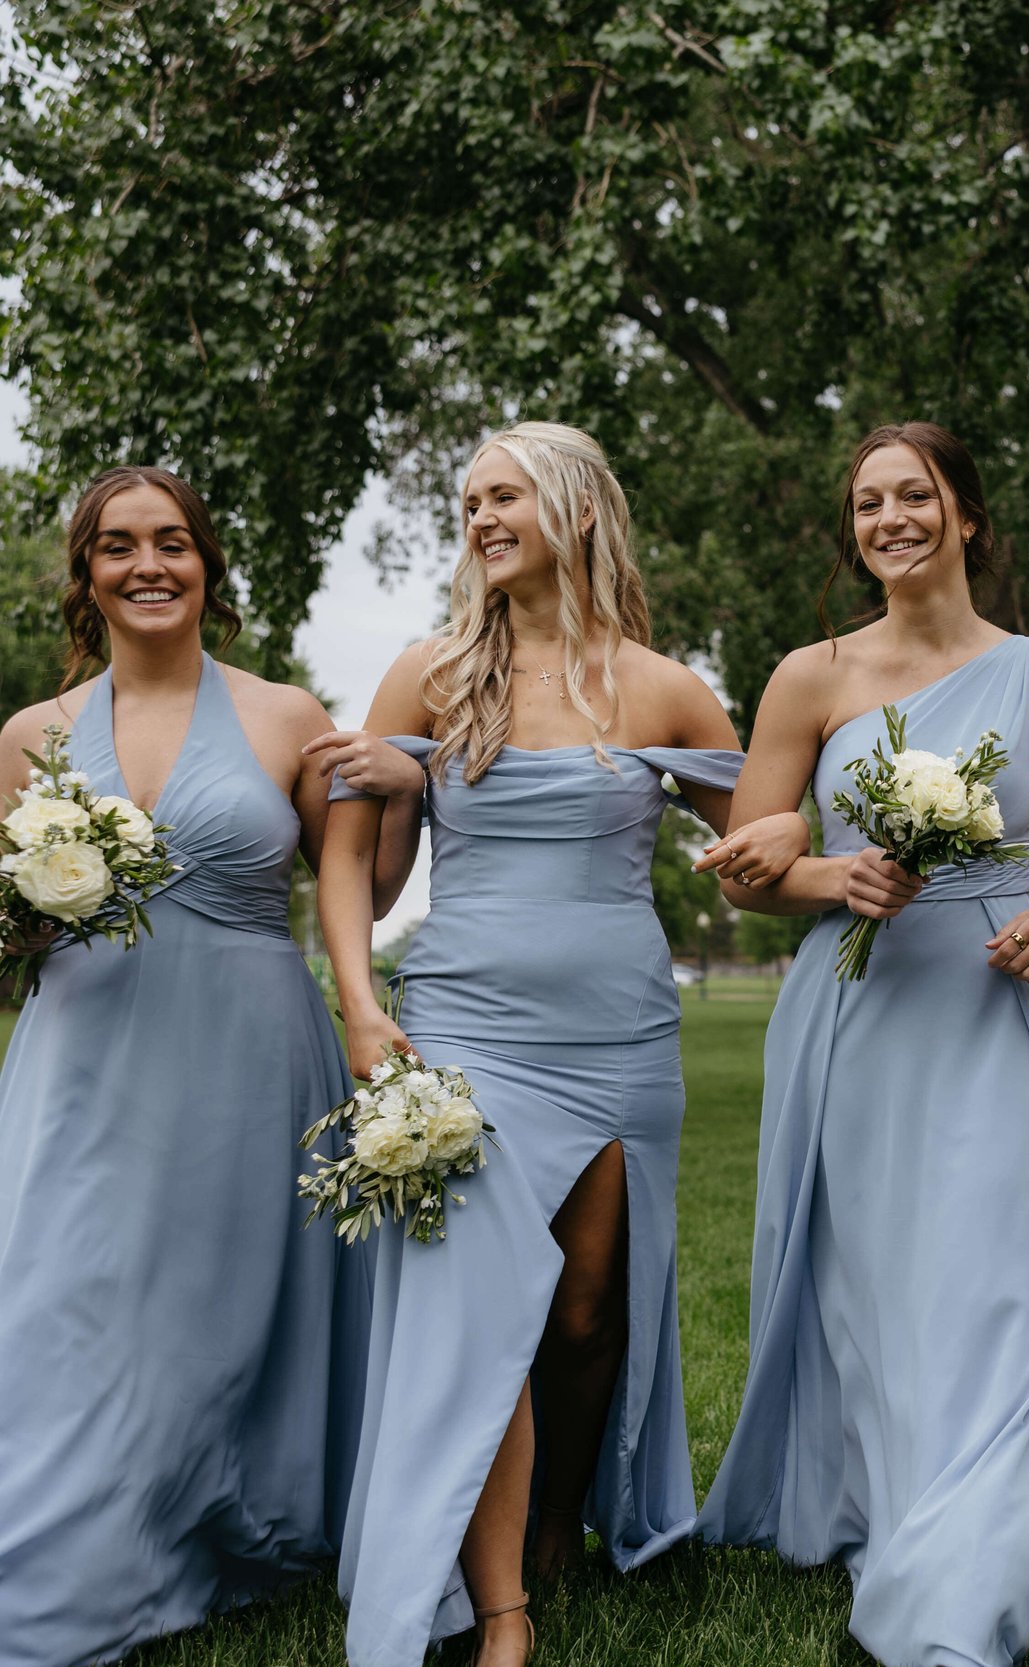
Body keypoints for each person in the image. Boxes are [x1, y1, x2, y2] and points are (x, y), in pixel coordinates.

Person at [698, 421, 1029, 1666]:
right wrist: (831, 875)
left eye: (914, 495)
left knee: (990, 1275)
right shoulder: (810, 677)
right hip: (855, 1010)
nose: (889, 519)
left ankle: (968, 1557)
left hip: (991, 1002)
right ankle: (887, 1498)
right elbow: (747, 869)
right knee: (875, 1284)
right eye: (868, 503)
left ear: (967, 516)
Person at [321, 422, 752, 1667]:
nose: (479, 518)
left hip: (620, 1031)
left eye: (503, 494)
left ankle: (560, 1519)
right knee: (479, 1306)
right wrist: (360, 999)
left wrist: (844, 853)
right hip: (466, 1023)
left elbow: (760, 851)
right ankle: (499, 1604)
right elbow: (353, 866)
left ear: (578, 508)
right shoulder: (430, 673)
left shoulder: (663, 687)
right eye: (470, 501)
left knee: (585, 1307)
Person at [0, 466, 417, 1667]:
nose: (148, 564)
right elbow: (13, 926)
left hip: (247, 1048)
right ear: (86, 575)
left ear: (206, 565)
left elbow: (357, 882)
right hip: (83, 1054)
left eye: (172, 541)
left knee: (216, 1308)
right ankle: (70, 1541)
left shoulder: (286, 715)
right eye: (119, 545)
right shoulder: (28, 735)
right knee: (65, 1295)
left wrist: (407, 798)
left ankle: (220, 1509)